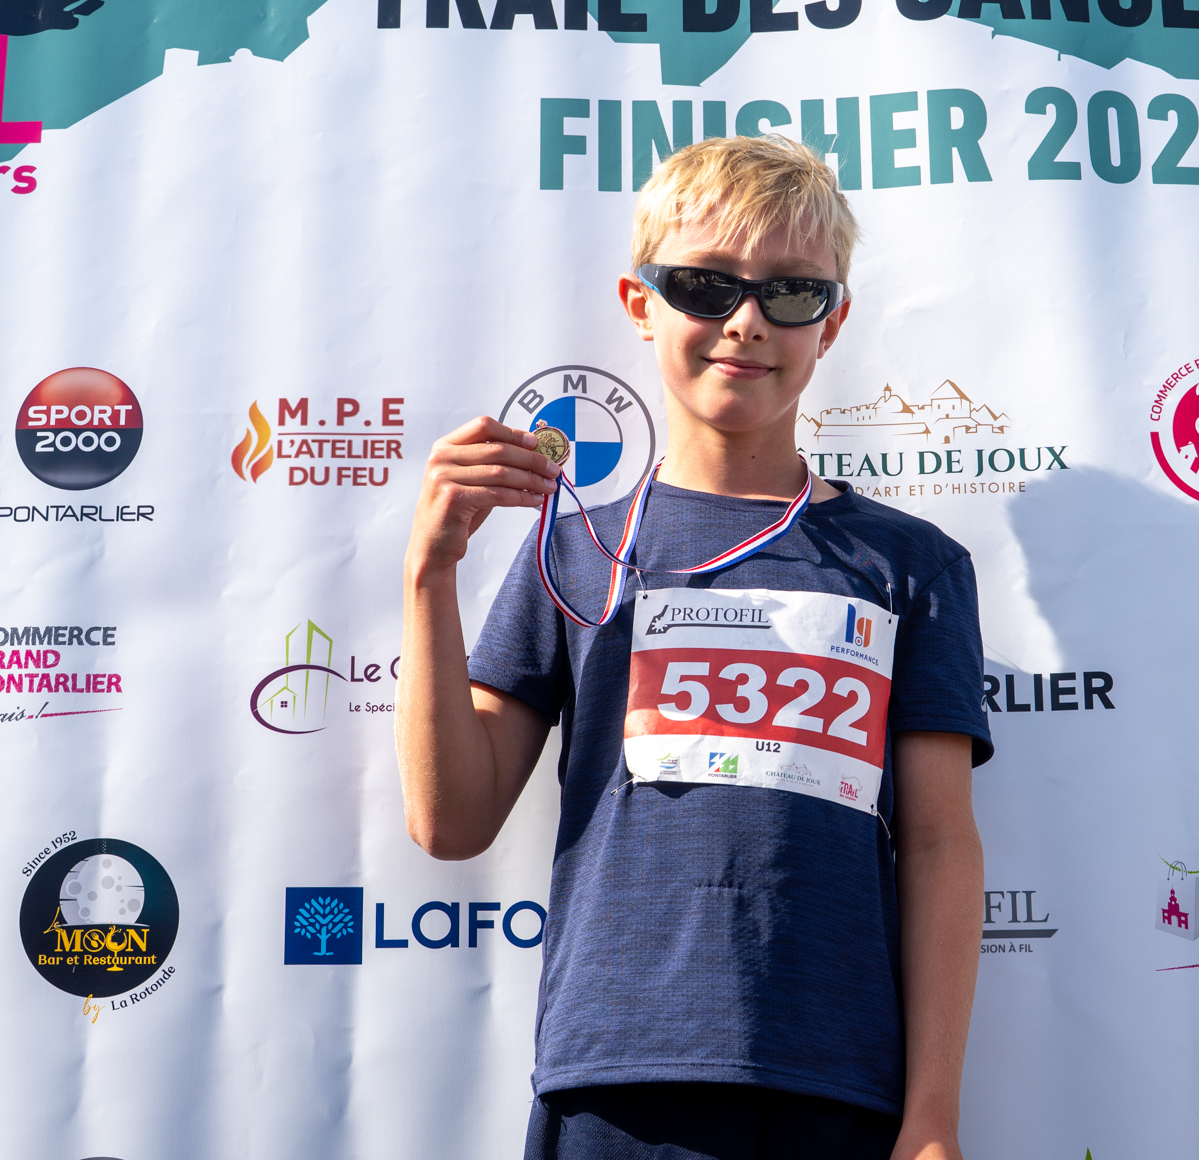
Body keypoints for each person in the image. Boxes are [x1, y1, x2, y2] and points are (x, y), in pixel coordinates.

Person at [396, 134, 990, 1160]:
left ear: (832, 321)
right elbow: (450, 822)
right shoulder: (573, 549)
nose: (746, 322)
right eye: (705, 285)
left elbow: (938, 844)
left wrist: (932, 1115)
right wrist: (429, 573)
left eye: (791, 292)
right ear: (641, 303)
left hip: (835, 1083)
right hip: (615, 1079)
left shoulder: (912, 565)